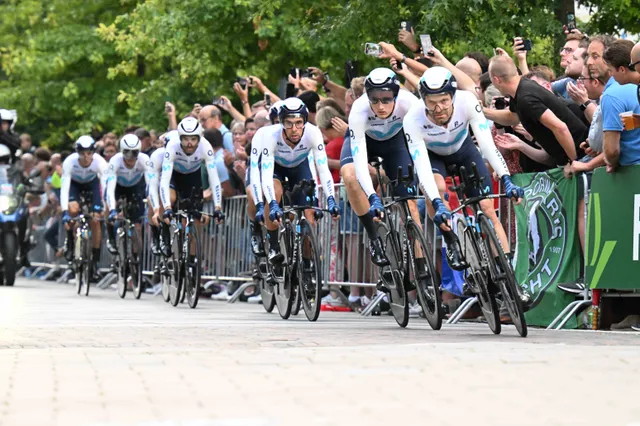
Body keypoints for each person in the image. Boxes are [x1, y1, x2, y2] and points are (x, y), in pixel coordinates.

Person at [404, 66, 524, 274]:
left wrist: (506, 179)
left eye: (443, 101)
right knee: (437, 186)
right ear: (423, 101)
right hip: (434, 157)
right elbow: (422, 166)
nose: (439, 108)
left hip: (464, 151)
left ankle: (508, 273)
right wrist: (438, 203)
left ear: (452, 96)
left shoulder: (467, 101)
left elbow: (487, 145)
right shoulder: (412, 119)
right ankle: (450, 239)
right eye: (432, 103)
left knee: (487, 208)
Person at [339, 68, 422, 266]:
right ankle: (374, 236)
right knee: (349, 175)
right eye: (374, 100)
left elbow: (421, 144)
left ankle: (420, 263)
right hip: (365, 142)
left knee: (410, 203)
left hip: (395, 143)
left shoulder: (410, 103)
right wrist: (372, 197)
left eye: (386, 100)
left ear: (396, 95)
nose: (380, 106)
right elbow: (359, 161)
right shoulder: (359, 110)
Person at [260, 98, 340, 264]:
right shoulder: (271, 136)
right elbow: (266, 173)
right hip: (276, 168)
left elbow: (322, 169)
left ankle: (308, 262)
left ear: (304, 121)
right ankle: (274, 244)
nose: (294, 129)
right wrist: (273, 203)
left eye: (298, 123)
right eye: (289, 124)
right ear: (281, 123)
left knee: (309, 215)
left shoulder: (313, 133)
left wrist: (331, 199)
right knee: (275, 192)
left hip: (300, 167)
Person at [486, 55, 588, 166]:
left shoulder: (525, 97)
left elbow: (560, 127)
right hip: (575, 154)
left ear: (496, 80)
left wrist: (573, 161)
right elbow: (513, 118)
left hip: (581, 153)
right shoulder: (520, 90)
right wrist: (482, 111)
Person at [159, 117, 224, 256]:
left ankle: (192, 259)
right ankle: (165, 234)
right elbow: (164, 179)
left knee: (196, 219)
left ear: (199, 138)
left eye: (193, 139)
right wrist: (167, 207)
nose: (190, 144)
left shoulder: (205, 147)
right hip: (174, 176)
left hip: (193, 177)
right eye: (186, 139)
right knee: (171, 198)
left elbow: (214, 178)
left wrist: (218, 207)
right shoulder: (172, 146)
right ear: (180, 138)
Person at [60, 136, 109, 281]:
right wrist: (65, 212)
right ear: (77, 152)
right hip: (74, 186)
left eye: (89, 153)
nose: (86, 157)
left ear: (93, 152)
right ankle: (70, 241)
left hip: (92, 185)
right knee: (73, 210)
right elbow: (64, 188)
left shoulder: (100, 162)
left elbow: (105, 186)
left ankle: (95, 259)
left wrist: (105, 207)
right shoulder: (69, 162)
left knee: (95, 220)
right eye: (82, 153)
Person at [104, 134, 151, 255]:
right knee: (109, 207)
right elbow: (110, 189)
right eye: (126, 153)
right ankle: (111, 237)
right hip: (117, 188)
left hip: (134, 188)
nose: (130, 158)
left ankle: (136, 261)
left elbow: (150, 184)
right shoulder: (115, 160)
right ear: (121, 151)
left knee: (137, 227)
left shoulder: (144, 159)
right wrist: (113, 209)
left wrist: (151, 201)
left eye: (134, 153)